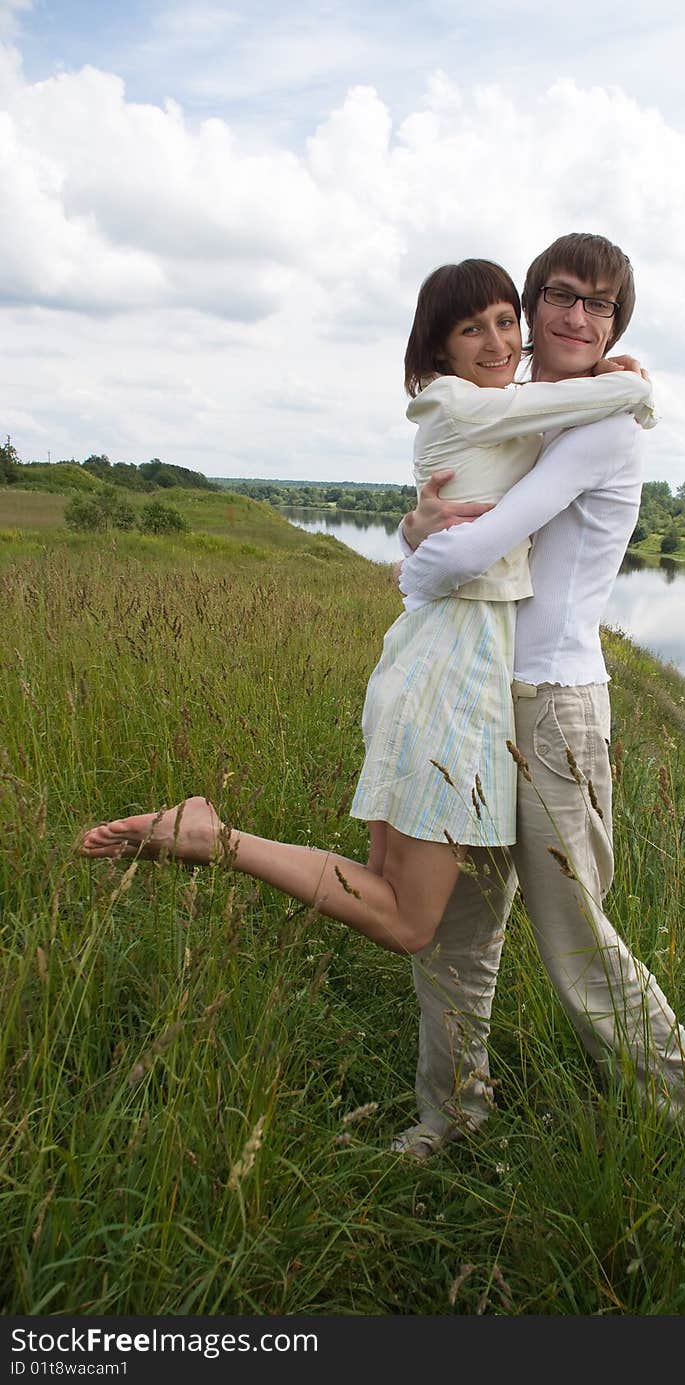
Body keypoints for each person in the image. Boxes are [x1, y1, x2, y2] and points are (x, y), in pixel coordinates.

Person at [80, 257, 653, 967]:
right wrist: (631, 389)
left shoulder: (507, 414)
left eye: (504, 322)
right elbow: (451, 558)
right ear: (438, 350)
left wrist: (602, 379)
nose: (497, 341)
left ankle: (216, 837)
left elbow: (537, 425)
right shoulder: (465, 403)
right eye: (473, 328)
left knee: (397, 897)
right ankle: (214, 838)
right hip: (455, 668)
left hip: (436, 660)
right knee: (411, 922)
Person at [391, 232, 685, 1158]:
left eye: (602, 305)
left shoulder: (601, 422)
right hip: (478, 699)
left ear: (617, 321)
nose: (579, 317)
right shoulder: (525, 408)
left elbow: (465, 551)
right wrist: (416, 524)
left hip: (553, 707)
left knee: (574, 937)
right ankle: (450, 1116)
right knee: (457, 928)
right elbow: (444, 530)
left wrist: (421, 548)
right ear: (534, 304)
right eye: (562, 297)